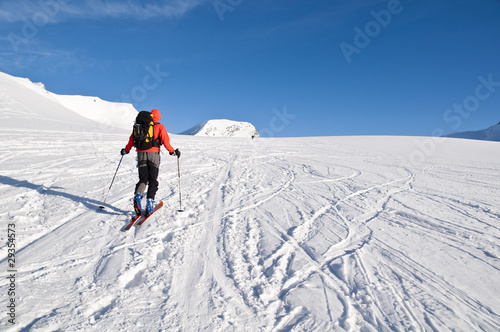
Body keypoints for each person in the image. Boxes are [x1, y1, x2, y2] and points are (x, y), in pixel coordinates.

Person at [121, 108, 180, 216]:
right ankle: (149, 202)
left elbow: (131, 139)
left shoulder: (140, 126)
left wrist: (126, 150)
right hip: (153, 155)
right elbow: (166, 142)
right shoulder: (159, 127)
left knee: (143, 178)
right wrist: (173, 152)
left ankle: (138, 196)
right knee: (153, 179)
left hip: (141, 154)